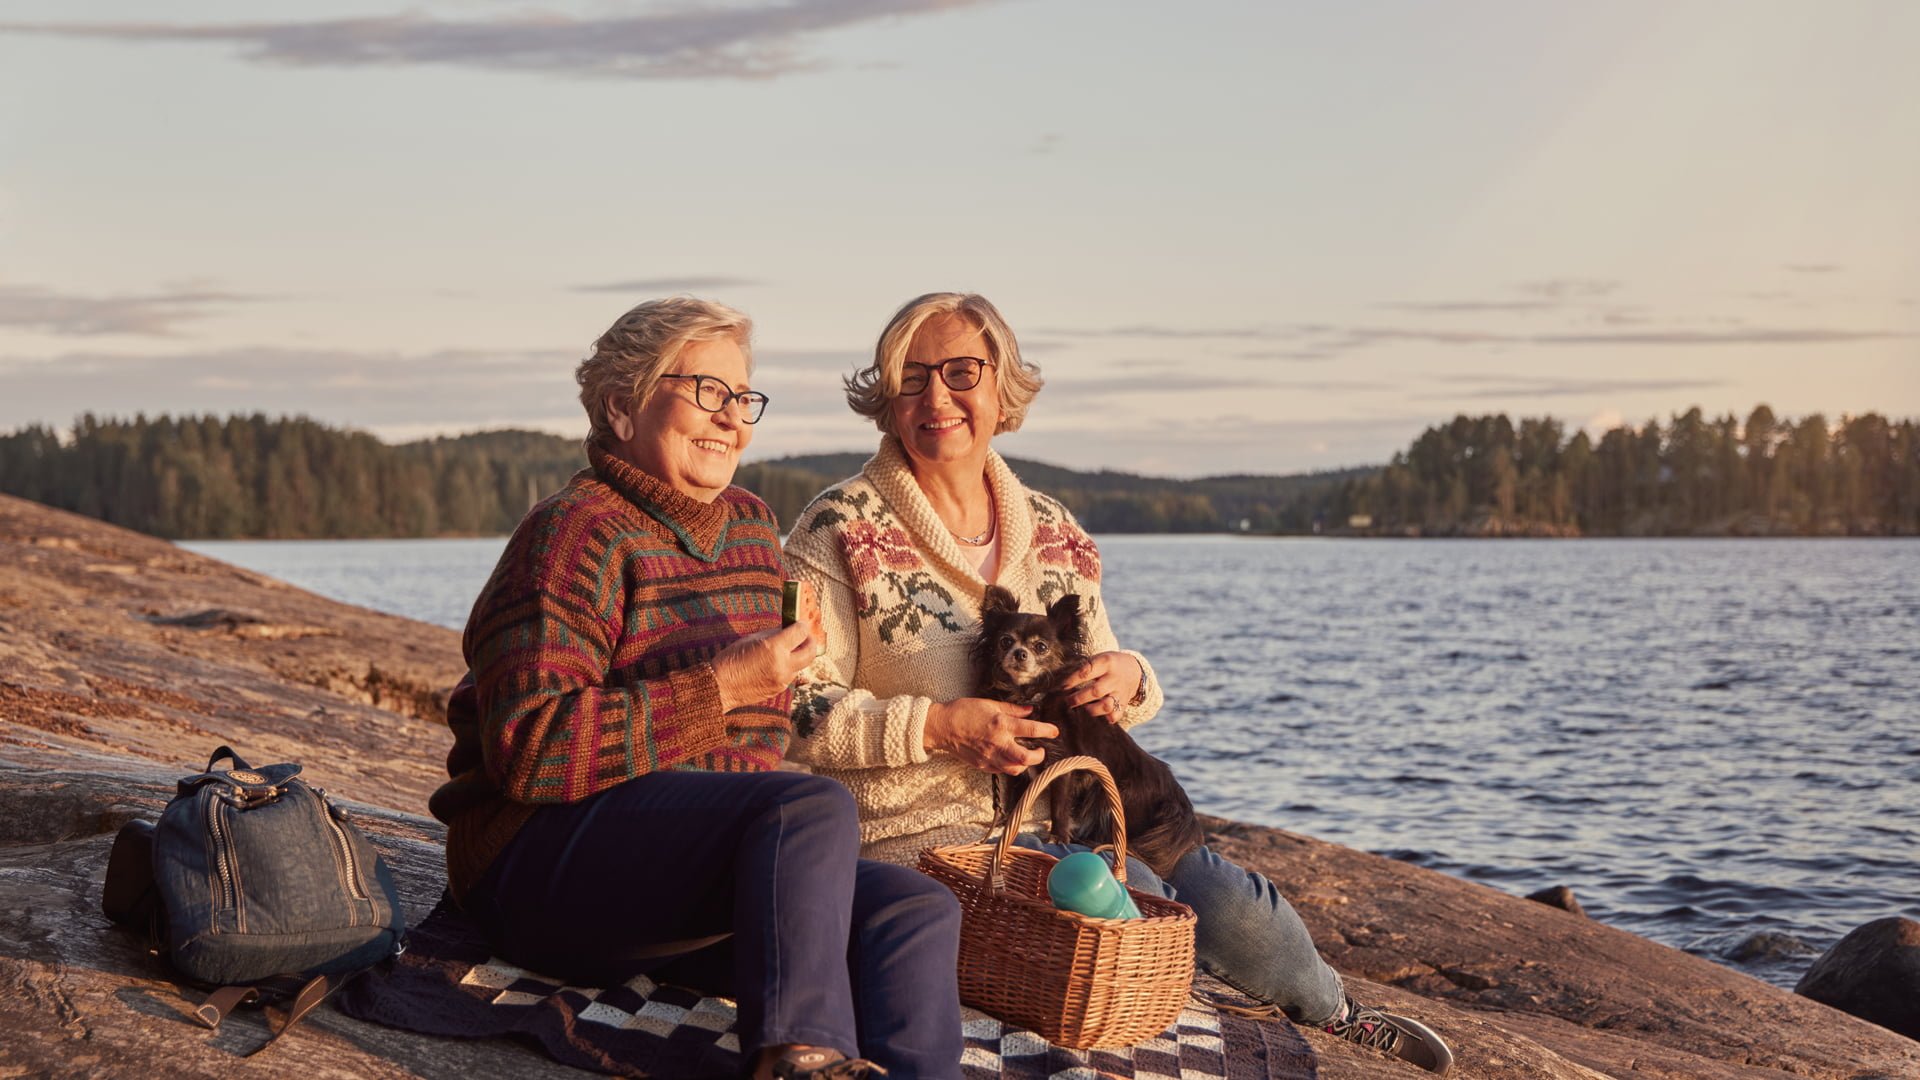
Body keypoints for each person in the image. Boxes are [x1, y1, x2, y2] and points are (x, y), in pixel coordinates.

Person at [783, 292, 1453, 1075]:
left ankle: (1340, 1014)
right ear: (887, 397)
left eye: (961, 371)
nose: (937, 397)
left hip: (1089, 808)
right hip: (932, 842)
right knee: (1124, 894)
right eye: (912, 376)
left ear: (1002, 387)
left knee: (1226, 897)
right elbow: (794, 708)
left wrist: (1132, 676)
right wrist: (939, 728)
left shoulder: (1058, 528)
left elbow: (1106, 669)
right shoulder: (836, 529)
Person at [428, 297, 963, 1080]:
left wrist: (774, 677)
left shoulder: (749, 527)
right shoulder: (572, 534)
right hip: (534, 865)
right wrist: (720, 686)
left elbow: (755, 739)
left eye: (743, 397)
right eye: (707, 391)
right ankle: (800, 1060)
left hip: (673, 869)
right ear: (621, 406)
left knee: (914, 908)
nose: (733, 419)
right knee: (807, 805)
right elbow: (531, 752)